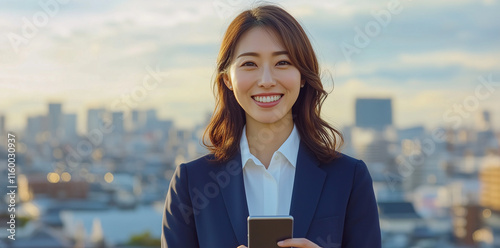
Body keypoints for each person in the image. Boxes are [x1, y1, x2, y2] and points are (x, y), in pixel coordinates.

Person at [161, 4, 381, 248]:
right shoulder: (192, 183)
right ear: (227, 79)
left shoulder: (348, 178)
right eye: (249, 64)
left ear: (303, 76)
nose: (266, 81)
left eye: (283, 63)